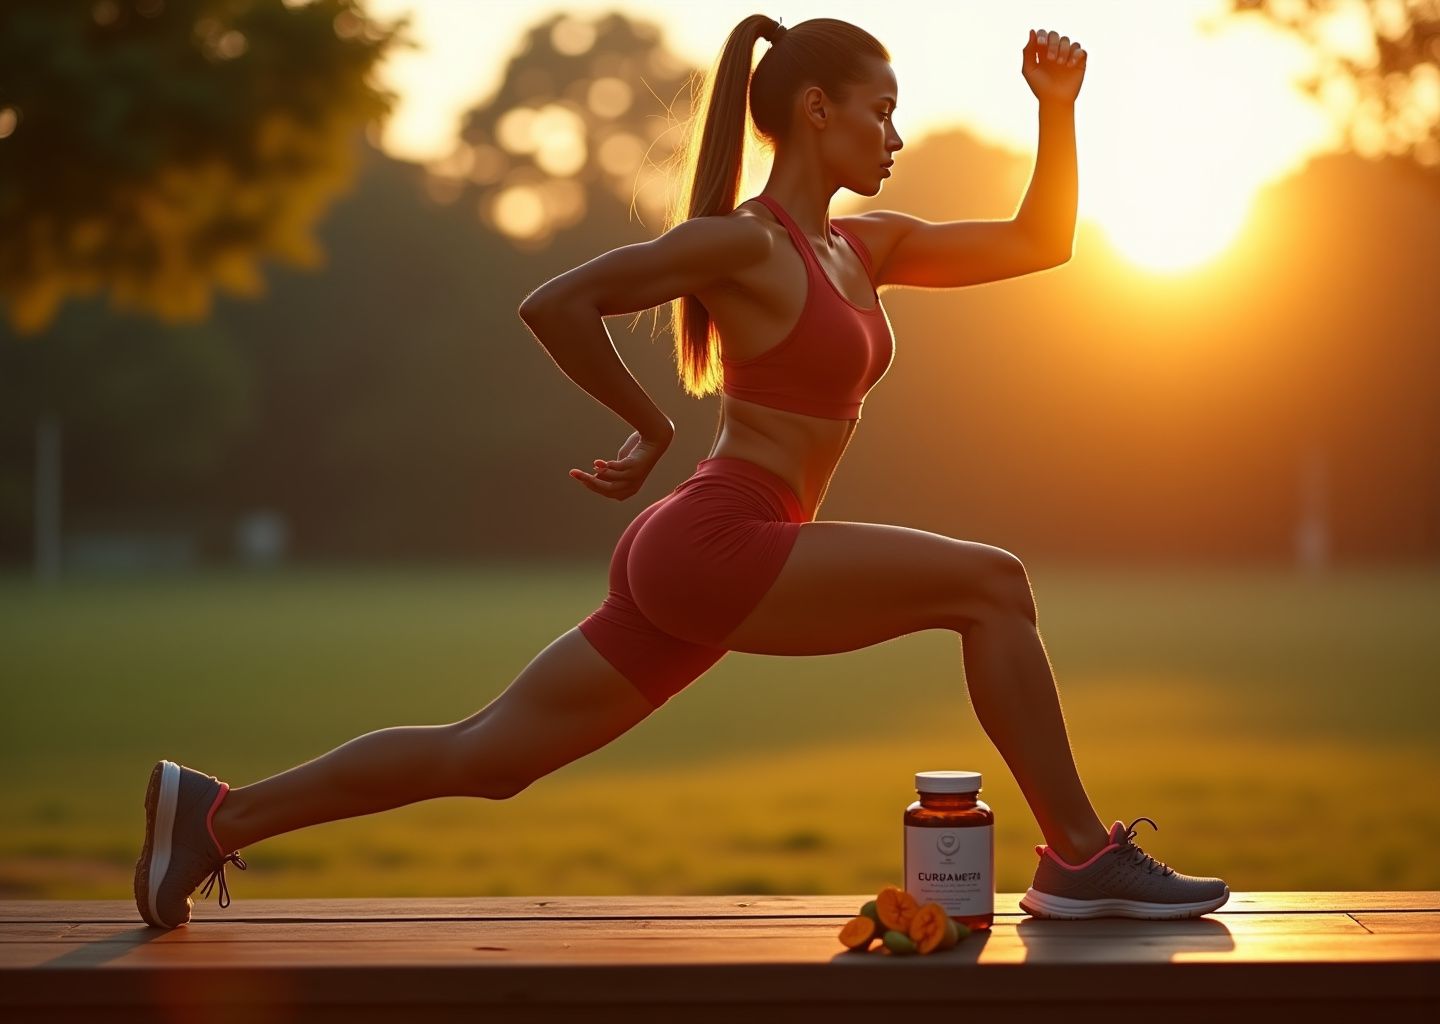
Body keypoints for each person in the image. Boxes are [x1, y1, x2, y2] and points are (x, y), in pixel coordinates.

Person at [135, 15, 1229, 930]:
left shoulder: (868, 248)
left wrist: (1057, 106)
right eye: (879, 108)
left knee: (487, 755)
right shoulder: (747, 245)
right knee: (991, 583)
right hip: (721, 538)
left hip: (704, 555)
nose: (893, 134)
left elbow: (1044, 242)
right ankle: (1080, 858)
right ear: (815, 109)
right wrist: (646, 421)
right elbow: (556, 301)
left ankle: (215, 815)